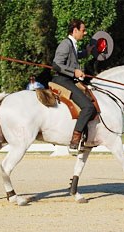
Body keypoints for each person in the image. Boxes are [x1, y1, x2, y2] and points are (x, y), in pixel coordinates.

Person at [52, 19, 96, 149]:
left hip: (69, 79)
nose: (85, 32)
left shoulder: (73, 44)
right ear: (75, 30)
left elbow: (73, 57)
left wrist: (86, 53)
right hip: (62, 80)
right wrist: (74, 72)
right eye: (83, 30)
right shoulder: (66, 44)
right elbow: (56, 64)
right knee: (88, 107)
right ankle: (75, 140)